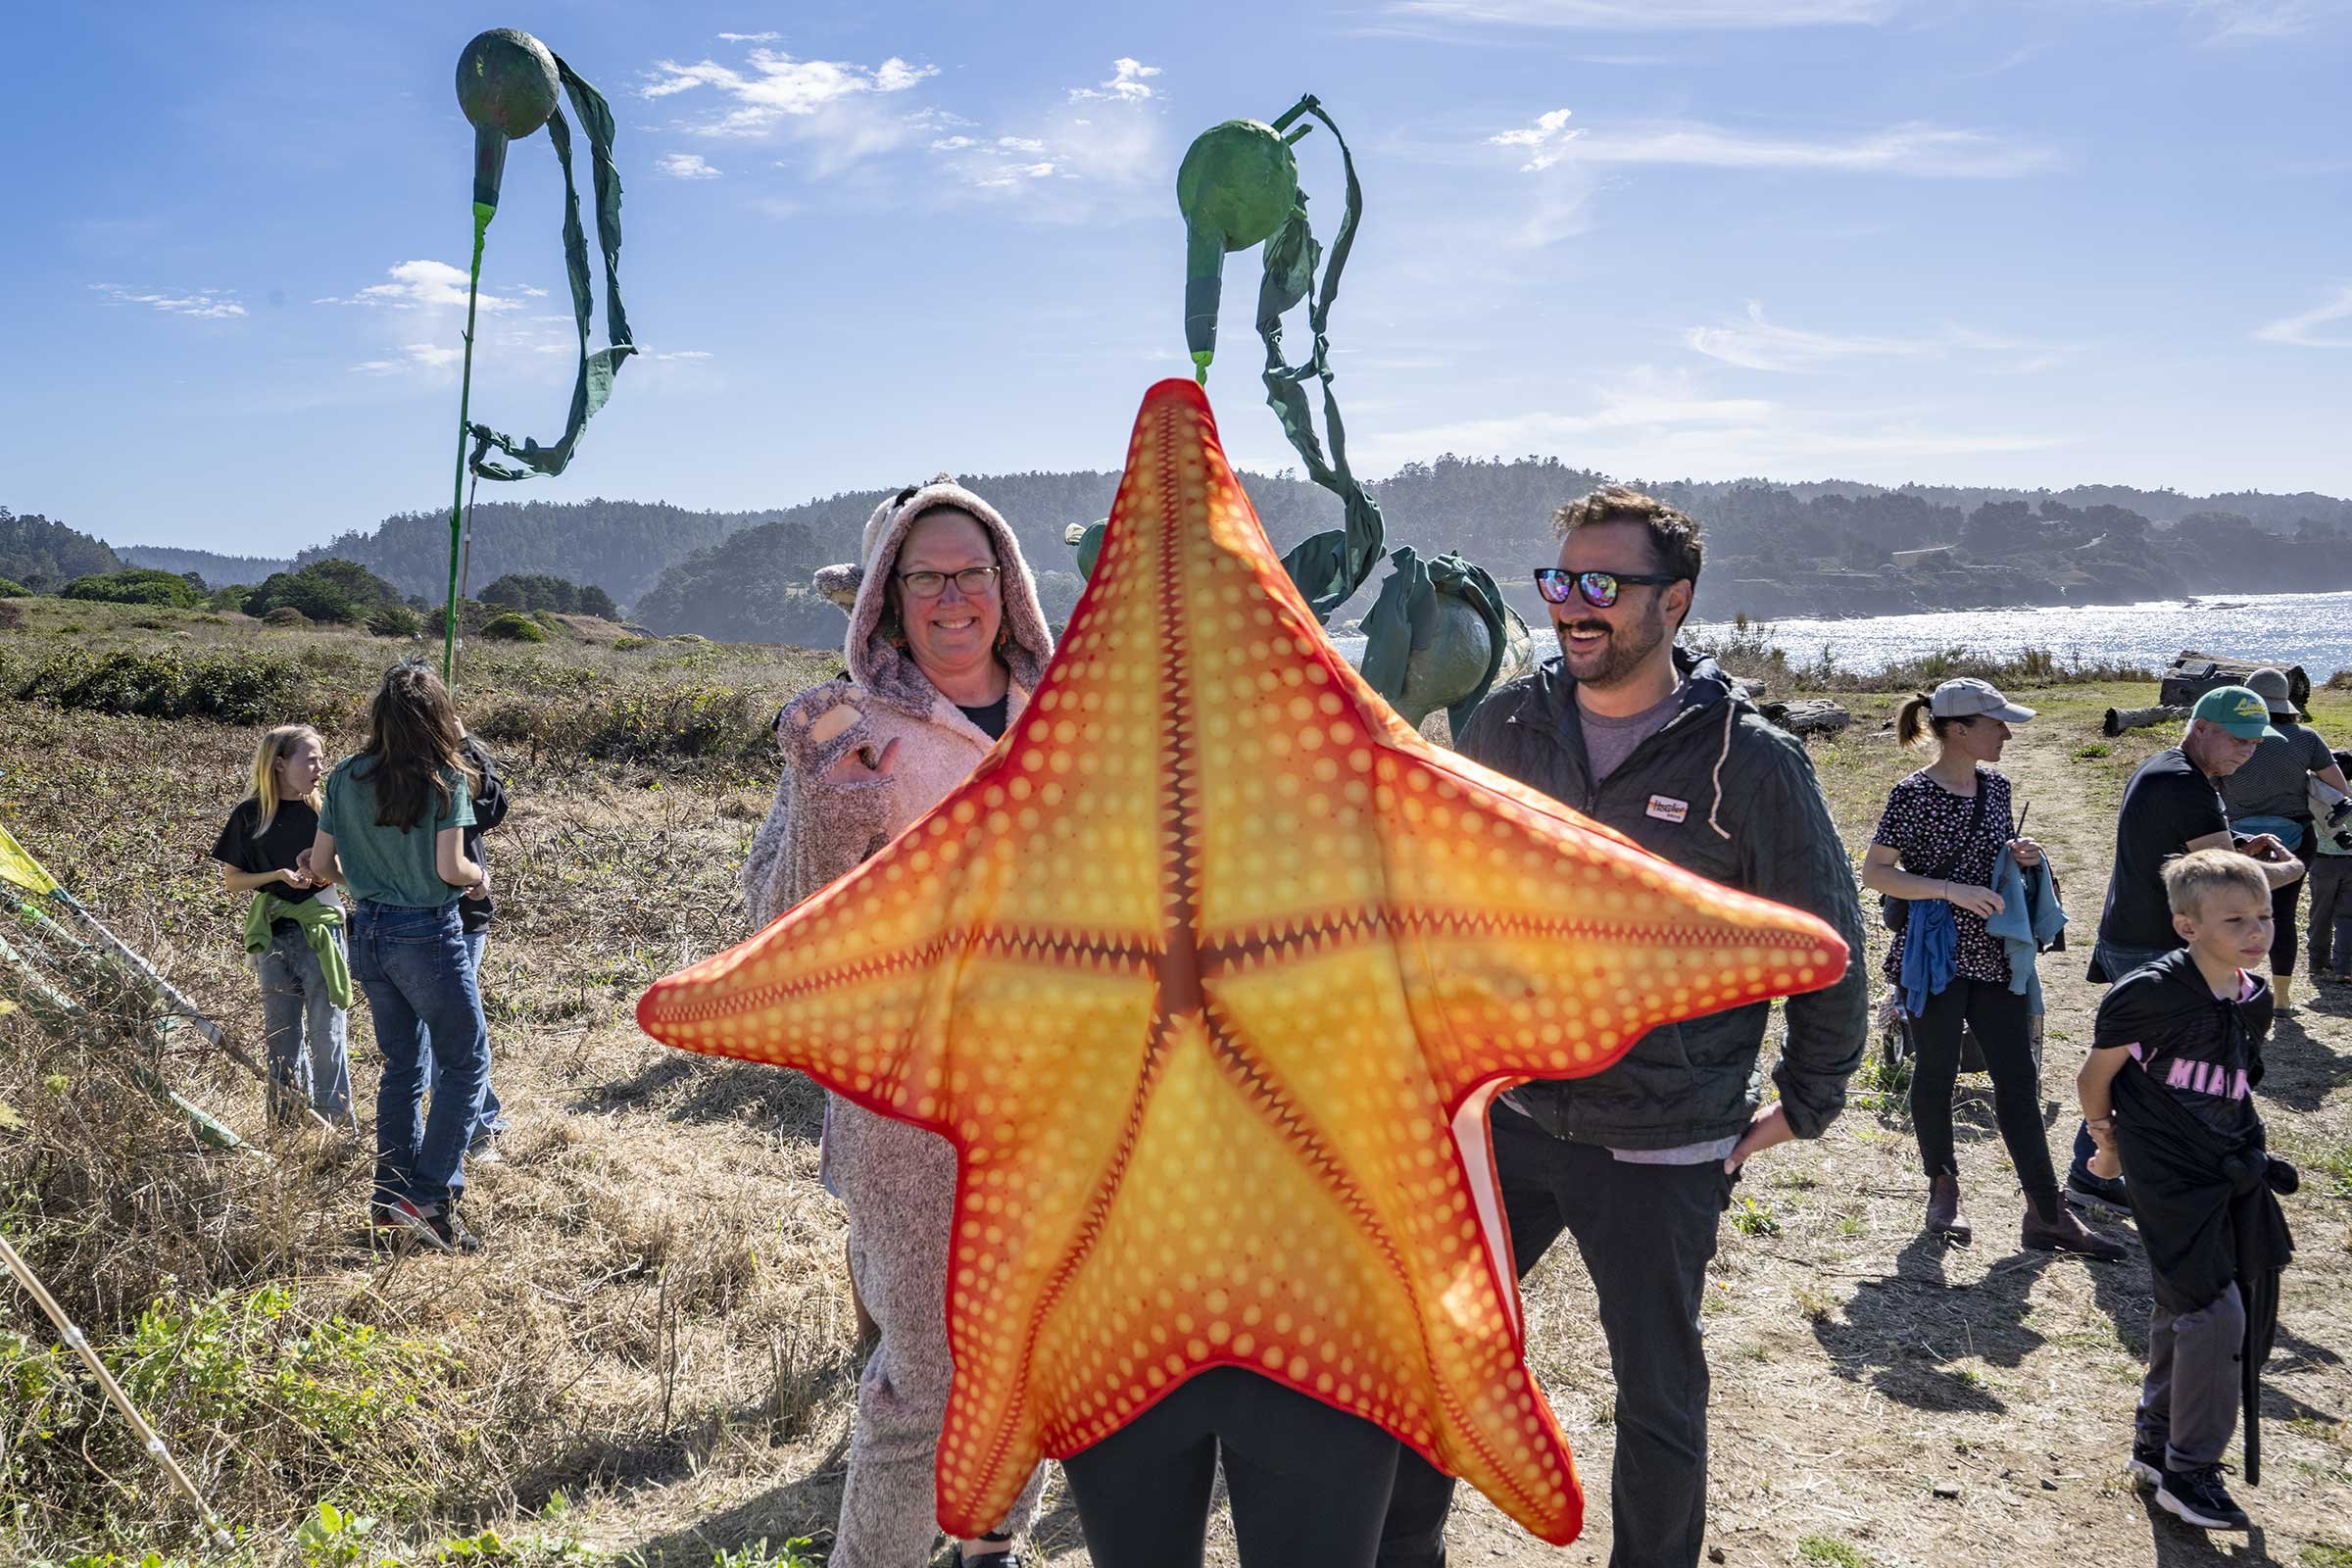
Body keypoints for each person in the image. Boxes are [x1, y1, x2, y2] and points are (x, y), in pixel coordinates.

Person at [1376, 486, 1868, 1568]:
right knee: (1435, 1352)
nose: (1572, 604)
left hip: (1662, 1137)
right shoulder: (1507, 724)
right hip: (1506, 1119)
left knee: (1657, 1391)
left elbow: (1827, 940)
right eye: (1559, 580)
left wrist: (1808, 1102)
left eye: (1601, 582)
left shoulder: (1749, 760)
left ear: (1673, 600)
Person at [742, 476, 1054, 1568]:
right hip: (906, 1099)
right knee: (925, 1371)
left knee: (1028, 1340)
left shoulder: (1070, 714)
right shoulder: (845, 728)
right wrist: (829, 809)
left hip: (1058, 1087)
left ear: (1009, 584)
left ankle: (992, 1543)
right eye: (926, 577)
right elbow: (776, 925)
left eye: (973, 572)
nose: (953, 597)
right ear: (887, 593)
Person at [2077, 850, 2295, 1534]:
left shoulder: (2252, 997)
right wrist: (2107, 1146)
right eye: (2235, 920)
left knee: (2201, 1303)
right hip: (2166, 1173)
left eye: (2263, 916)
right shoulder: (2147, 994)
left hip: (2231, 1166)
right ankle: (2188, 1471)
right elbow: (2094, 1078)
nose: (2256, 932)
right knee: (2213, 1313)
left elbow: (2235, 1082)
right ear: (2186, 926)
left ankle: (2153, 1444)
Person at [1861, 681, 2121, 1257]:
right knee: (1936, 1069)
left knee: (2018, 1077)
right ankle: (1943, 1189)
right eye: (1996, 724)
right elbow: (1876, 872)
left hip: (1995, 952)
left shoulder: (1997, 787)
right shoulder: (1912, 794)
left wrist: (2021, 853)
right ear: (1958, 730)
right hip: (1934, 955)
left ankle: (2046, 1213)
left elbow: (1993, 856)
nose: (2006, 733)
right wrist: (1949, 889)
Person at [2066, 686, 2305, 1211]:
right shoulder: (2184, 783)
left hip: (2137, 933)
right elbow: (2228, 880)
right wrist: (2290, 868)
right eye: (2238, 739)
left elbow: (2188, 848)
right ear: (2201, 729)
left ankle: (2108, 1171)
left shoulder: (2170, 769)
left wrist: (2231, 845)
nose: (2248, 751)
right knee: (2142, 1069)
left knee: (2144, 1063)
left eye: (2255, 742)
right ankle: (2095, 1174)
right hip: (2151, 943)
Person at [311, 662, 490, 1255]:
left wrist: (368, 880)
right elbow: (450, 868)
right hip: (428, 934)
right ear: (438, 715)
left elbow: (321, 867)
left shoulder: (343, 776)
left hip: (367, 931)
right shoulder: (446, 777)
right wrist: (479, 878)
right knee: (465, 1063)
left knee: (402, 1066)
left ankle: (389, 1202)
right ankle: (430, 1199)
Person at [211, 723, 356, 1132]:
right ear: (278, 764)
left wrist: (321, 870)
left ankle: (336, 1129)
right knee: (281, 1036)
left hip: (321, 928)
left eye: (321, 760)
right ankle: (287, 1129)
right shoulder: (249, 815)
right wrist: (276, 875)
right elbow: (233, 880)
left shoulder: (325, 812)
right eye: (310, 760)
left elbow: (351, 873)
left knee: (328, 1033)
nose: (319, 768)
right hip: (272, 934)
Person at [2217, 667, 2346, 1010]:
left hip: (2239, 840)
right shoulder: (2307, 738)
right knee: (2283, 916)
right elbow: (2340, 789)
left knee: (2234, 913)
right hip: (2295, 838)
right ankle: (2283, 997)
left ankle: (2232, 989)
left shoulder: (2229, 738)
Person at [455, 726, 510, 1161]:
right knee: (458, 1025)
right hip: (447, 910)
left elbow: (492, 805)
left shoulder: (456, 766)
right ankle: (474, 1128)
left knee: (459, 1021)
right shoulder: (436, 774)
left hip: (464, 912)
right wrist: (473, 875)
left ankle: (482, 1117)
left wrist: (465, 747)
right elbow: (491, 806)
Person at [2305, 749, 2352, 983]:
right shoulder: (2348, 798)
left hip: (2322, 860)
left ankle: (2317, 962)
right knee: (2347, 916)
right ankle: (2344, 967)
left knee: (2320, 913)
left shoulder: (2315, 795)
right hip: (2350, 862)